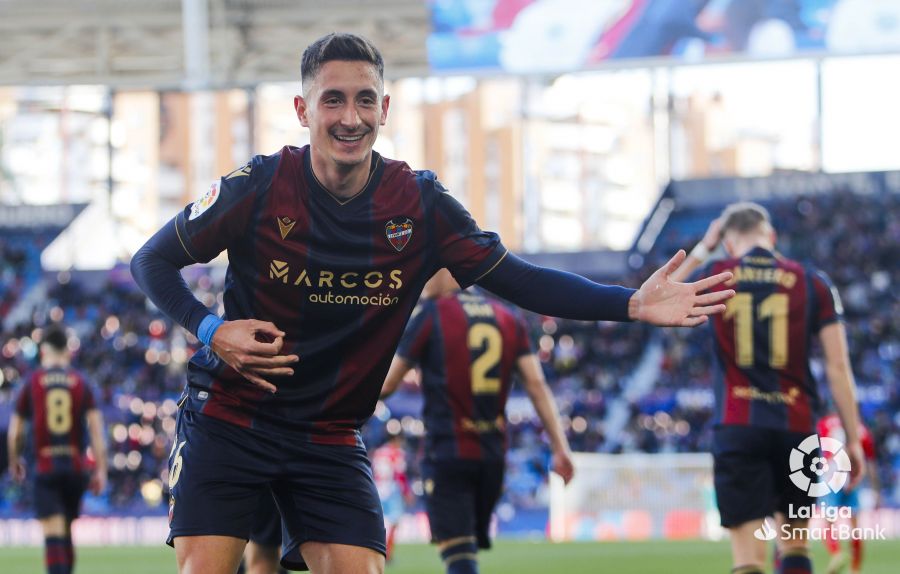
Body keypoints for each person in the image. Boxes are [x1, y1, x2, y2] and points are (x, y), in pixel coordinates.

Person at [129, 32, 734, 574]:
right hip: (232, 418)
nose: (350, 117)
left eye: (365, 100)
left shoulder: (419, 203)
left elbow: (517, 278)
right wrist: (211, 329)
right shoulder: (255, 186)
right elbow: (150, 260)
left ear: (385, 110)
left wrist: (629, 304)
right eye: (333, 100)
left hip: (329, 434)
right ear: (302, 109)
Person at [671, 202, 865, 574]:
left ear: (727, 243)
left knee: (748, 560)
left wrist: (703, 248)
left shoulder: (716, 272)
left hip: (738, 427)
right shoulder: (814, 282)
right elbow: (838, 367)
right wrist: (852, 439)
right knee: (795, 547)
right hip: (796, 428)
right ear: (771, 237)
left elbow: (659, 292)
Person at [381, 269, 575, 574]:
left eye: (426, 272)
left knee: (458, 555)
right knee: (464, 548)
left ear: (447, 273)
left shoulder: (430, 315)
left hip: (448, 452)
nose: (418, 281)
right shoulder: (508, 317)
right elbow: (537, 385)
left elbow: (386, 386)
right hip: (492, 458)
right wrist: (561, 448)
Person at [6, 323, 108, 574]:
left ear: (44, 352)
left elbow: (16, 431)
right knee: (66, 532)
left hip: (45, 466)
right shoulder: (81, 382)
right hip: (75, 469)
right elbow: (97, 431)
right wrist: (101, 471)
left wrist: (14, 459)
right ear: (67, 352)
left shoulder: (33, 381)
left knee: (53, 535)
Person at [817, 411, 880, 574]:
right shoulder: (862, 429)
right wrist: (876, 491)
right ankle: (855, 569)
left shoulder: (825, 423)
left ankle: (836, 554)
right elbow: (871, 464)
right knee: (855, 526)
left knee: (828, 522)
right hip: (853, 478)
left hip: (832, 476)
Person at [370, 430, 413, 563]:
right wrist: (406, 492)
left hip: (377, 487)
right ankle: (387, 552)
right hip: (392, 488)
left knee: (378, 522)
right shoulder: (397, 453)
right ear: (397, 439)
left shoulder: (378, 452)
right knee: (394, 522)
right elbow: (399, 474)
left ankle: (375, 550)